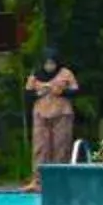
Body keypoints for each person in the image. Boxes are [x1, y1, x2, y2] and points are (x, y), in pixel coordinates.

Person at [25, 54, 80, 189]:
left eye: (52, 63)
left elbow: (75, 91)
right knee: (40, 147)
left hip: (62, 114)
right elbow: (27, 94)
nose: (49, 67)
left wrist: (60, 92)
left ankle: (59, 180)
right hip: (41, 114)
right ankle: (38, 181)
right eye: (47, 64)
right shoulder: (35, 75)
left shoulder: (65, 73)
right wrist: (39, 93)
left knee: (60, 147)